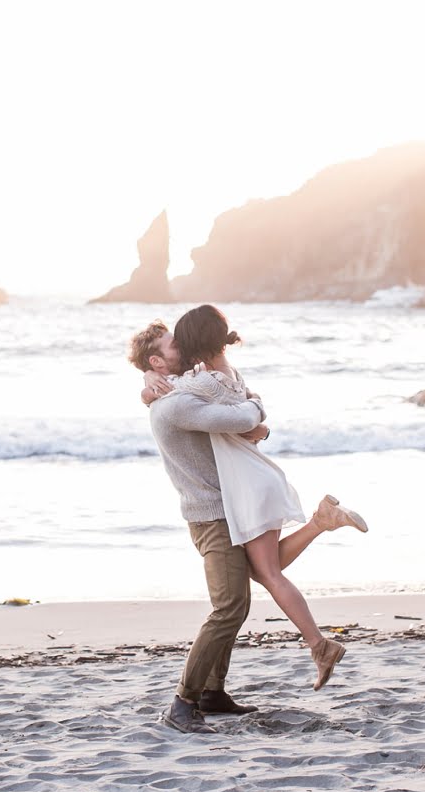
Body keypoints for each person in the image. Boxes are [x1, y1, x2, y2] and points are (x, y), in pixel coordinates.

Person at [127, 312, 366, 734]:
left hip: (231, 507)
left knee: (250, 588)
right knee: (230, 606)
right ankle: (182, 702)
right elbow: (242, 418)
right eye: (173, 347)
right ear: (157, 365)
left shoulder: (185, 390)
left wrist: (251, 420)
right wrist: (254, 408)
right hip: (211, 517)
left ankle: (212, 693)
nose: (183, 347)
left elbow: (238, 419)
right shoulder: (176, 402)